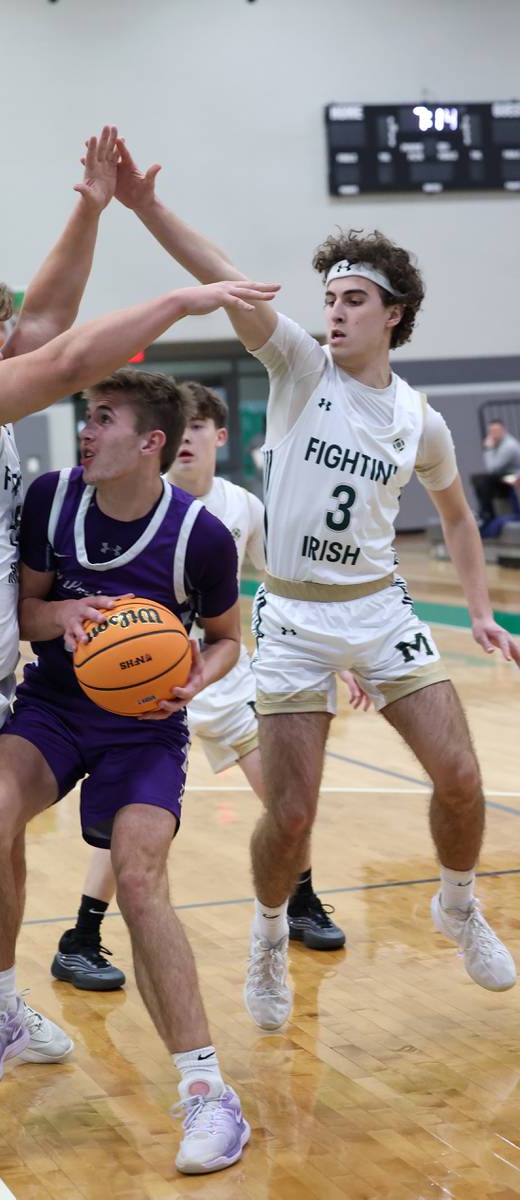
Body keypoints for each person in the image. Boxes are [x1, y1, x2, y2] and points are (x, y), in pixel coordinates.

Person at [0, 123, 270, 1189]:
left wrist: (89, 204)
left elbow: (47, 319)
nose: (3, 344)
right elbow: (70, 352)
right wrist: (180, 300)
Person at [111, 139, 520, 1034]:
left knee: (461, 776)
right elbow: (229, 276)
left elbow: (455, 515)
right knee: (291, 813)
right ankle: (267, 934)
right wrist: (144, 208)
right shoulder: (300, 369)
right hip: (293, 618)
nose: (333, 312)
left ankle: (457, 902)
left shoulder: (421, 418)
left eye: (353, 299)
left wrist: (482, 610)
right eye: (329, 298)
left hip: (381, 612)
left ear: (394, 313)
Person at [0, 368, 261, 1175]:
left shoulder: (201, 536)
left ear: (151, 441)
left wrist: (200, 674)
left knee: (141, 874)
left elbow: (229, 635)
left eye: (104, 419)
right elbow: (22, 612)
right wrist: (63, 616)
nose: (86, 431)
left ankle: (206, 1094)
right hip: (54, 704)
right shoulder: (54, 500)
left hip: (144, 728)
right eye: (87, 416)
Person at [51, 381, 352, 995]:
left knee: (287, 800)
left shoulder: (241, 508)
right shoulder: (121, 500)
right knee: (126, 819)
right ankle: (80, 937)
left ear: (218, 435)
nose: (186, 439)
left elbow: (287, 581)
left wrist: (335, 651)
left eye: (198, 428)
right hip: (138, 685)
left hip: (217, 675)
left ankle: (301, 901)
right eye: (178, 429)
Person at [471, 419, 520, 531]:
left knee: (484, 480)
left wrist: (488, 448)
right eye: (491, 431)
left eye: (497, 431)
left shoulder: (509, 446)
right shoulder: (498, 444)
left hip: (514, 477)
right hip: (505, 478)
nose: (494, 434)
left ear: (504, 430)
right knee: (478, 479)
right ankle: (485, 512)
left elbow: (492, 468)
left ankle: (487, 514)